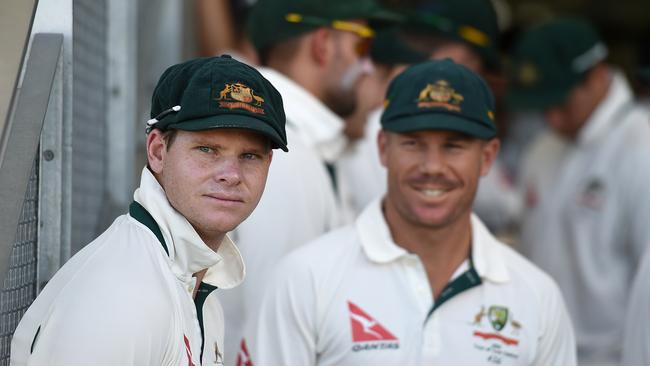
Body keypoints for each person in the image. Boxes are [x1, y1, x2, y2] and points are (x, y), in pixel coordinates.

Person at [242, 59, 577, 365]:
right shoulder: (305, 279)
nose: (432, 166)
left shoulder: (536, 297)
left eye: (453, 146)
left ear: (488, 157)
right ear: (384, 148)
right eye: (413, 143)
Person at [10, 55, 287, 366]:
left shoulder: (199, 290)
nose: (231, 174)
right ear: (157, 151)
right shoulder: (121, 296)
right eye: (207, 149)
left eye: (250, 156)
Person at [217, 1, 397, 363]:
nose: (367, 67)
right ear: (323, 44)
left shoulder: (303, 145)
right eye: (363, 46)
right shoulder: (282, 155)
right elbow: (272, 330)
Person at [509, 18, 650, 366]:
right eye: (544, 106)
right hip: (536, 349)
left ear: (597, 74)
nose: (553, 118)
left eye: (561, 102)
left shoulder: (641, 149)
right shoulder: (542, 149)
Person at [337, 0, 522, 235]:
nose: (433, 166)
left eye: (452, 146)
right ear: (461, 57)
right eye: (478, 66)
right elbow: (507, 206)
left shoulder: (368, 123)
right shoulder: (372, 124)